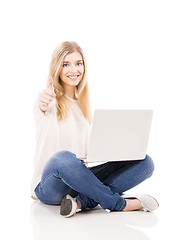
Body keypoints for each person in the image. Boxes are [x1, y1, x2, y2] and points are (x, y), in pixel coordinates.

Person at [31, 41, 159, 218]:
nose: (73, 70)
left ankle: (81, 202)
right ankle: (118, 204)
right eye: (66, 64)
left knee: (145, 162)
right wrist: (42, 100)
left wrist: (116, 150)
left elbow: (85, 156)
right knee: (64, 158)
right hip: (50, 186)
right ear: (57, 68)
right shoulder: (48, 100)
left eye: (78, 63)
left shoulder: (84, 107)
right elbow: (41, 106)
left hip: (78, 181)